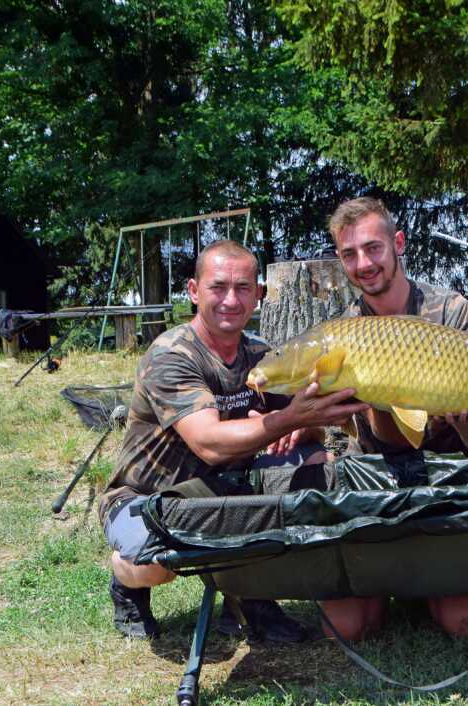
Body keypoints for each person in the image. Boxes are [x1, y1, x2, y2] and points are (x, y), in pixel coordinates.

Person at [99, 239, 369, 640]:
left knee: (316, 462)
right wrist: (286, 419)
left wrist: (303, 426)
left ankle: (249, 597)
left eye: (243, 288)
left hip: (229, 489)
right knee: (156, 565)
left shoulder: (261, 354)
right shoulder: (172, 355)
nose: (231, 299)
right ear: (193, 291)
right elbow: (208, 442)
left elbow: (305, 423)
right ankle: (125, 581)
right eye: (218, 287)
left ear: (258, 295)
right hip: (148, 497)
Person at [322, 196, 468, 640]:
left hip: (447, 478)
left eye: (373, 248)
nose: (363, 263)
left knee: (466, 624)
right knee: (344, 629)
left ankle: (428, 576)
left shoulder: (448, 311)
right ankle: (389, 576)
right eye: (349, 254)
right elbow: (345, 434)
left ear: (398, 244)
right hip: (379, 481)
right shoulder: (342, 333)